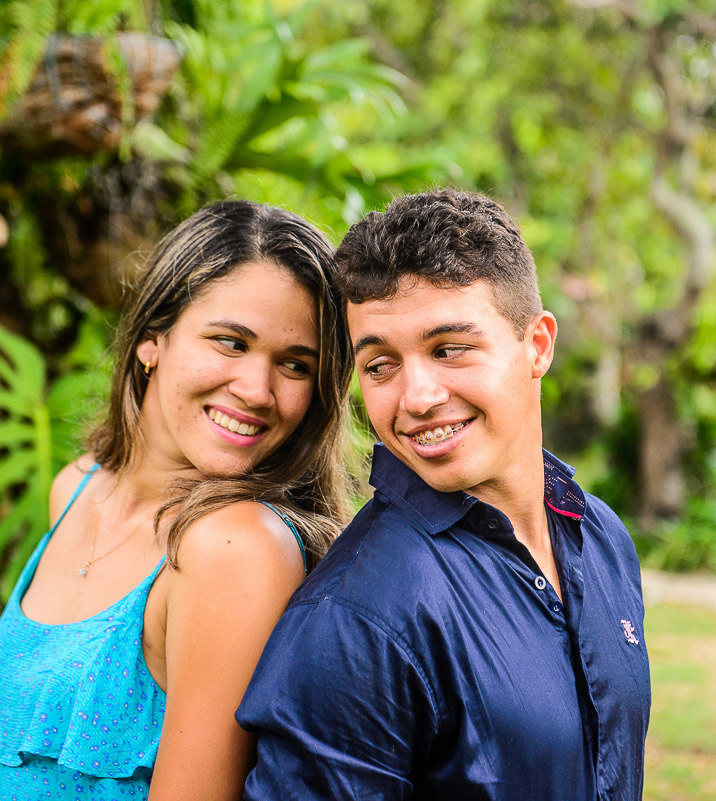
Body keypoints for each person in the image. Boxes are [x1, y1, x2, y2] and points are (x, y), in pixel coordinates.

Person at [237, 189, 651, 800]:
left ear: (536, 346)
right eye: (380, 366)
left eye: (449, 349)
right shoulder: (356, 621)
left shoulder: (601, 535)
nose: (418, 397)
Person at [0, 199, 353, 800]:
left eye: (295, 365)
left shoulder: (232, 549)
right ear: (152, 340)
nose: (257, 389)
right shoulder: (76, 487)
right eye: (229, 342)